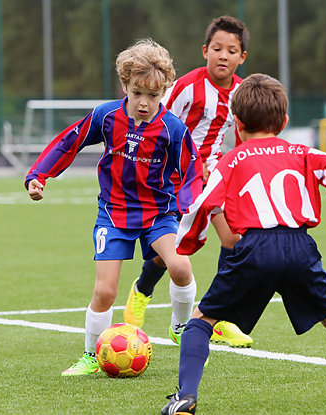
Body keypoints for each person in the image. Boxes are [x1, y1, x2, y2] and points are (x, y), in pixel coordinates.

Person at [161, 73, 326, 414]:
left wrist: (190, 242)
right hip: (299, 247)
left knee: (202, 319)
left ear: (237, 123)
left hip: (253, 249)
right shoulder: (304, 153)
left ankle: (185, 397)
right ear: (285, 121)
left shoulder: (231, 160)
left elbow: (203, 203)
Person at [25, 38, 203, 376]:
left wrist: (183, 206)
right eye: (138, 93)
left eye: (154, 95)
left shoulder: (173, 129)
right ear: (125, 85)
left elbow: (192, 171)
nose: (144, 103)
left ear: (163, 92)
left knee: (180, 268)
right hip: (115, 214)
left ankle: (181, 329)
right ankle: (92, 355)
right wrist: (39, 175)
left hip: (158, 215)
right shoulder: (106, 116)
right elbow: (69, 142)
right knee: (105, 291)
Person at [124, 15, 253, 348]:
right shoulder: (188, 87)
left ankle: (219, 316)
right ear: (205, 51)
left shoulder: (241, 92)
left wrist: (237, 170)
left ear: (242, 58)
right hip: (178, 179)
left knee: (233, 240)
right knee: (177, 248)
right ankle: (142, 291)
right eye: (217, 48)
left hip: (214, 180)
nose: (223, 55)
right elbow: (161, 124)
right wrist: (181, 168)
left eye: (232, 50)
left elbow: (241, 136)